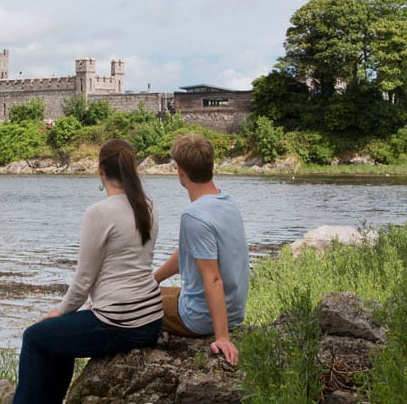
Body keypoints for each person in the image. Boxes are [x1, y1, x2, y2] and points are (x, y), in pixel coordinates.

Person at [13, 139, 163, 404]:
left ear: (101, 171)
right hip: (150, 319)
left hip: (121, 322)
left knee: (35, 338)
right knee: (60, 341)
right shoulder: (148, 206)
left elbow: (84, 280)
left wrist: (59, 312)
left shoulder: (99, 212)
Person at [153, 133, 249, 366]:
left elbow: (213, 279)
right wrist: (152, 279)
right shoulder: (227, 202)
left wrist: (222, 338)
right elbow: (189, 254)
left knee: (125, 303)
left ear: (180, 171)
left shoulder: (194, 216)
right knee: (141, 291)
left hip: (198, 318)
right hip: (234, 311)